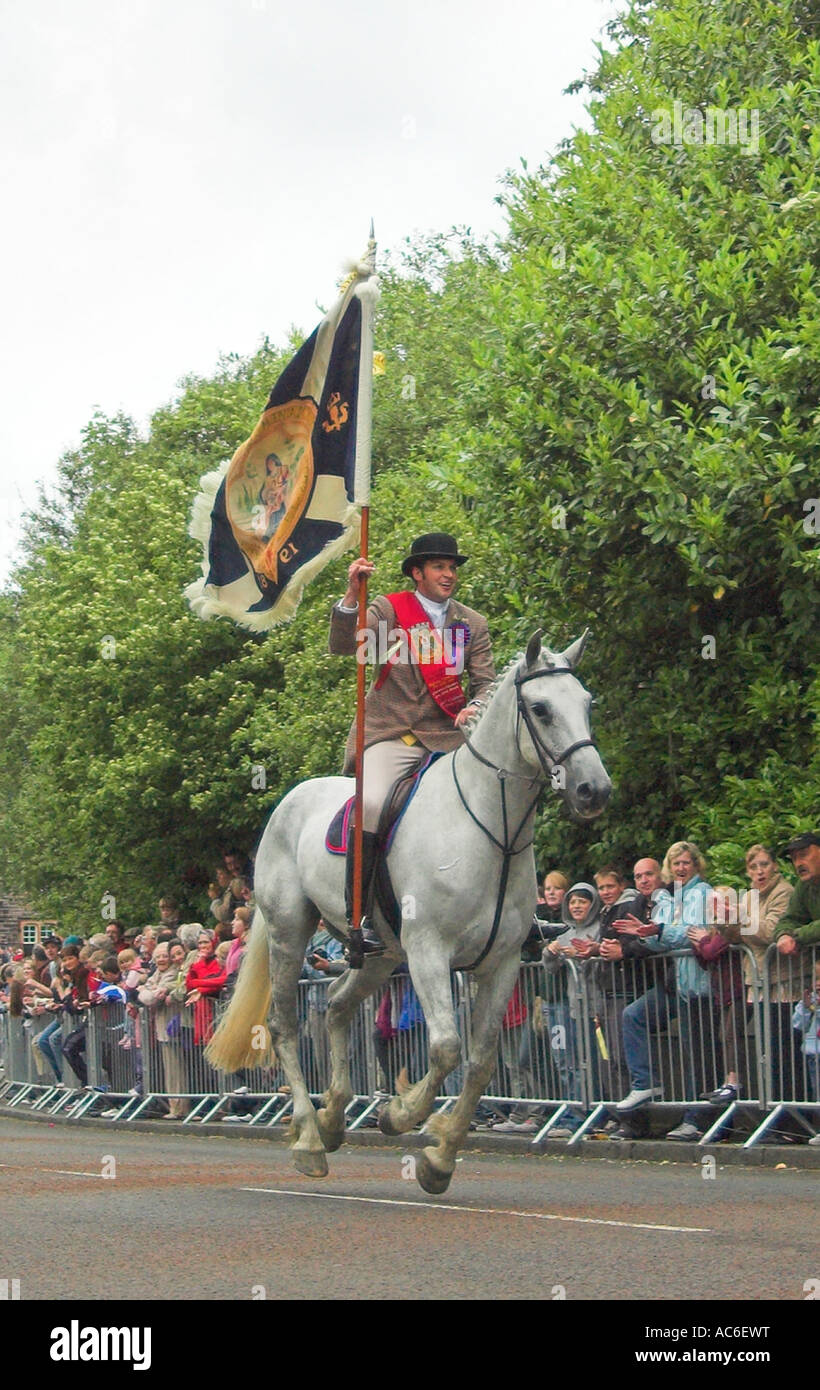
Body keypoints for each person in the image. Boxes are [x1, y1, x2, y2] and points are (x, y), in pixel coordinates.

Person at [329, 532, 496, 951]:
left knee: (504, 794)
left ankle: (521, 913)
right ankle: (358, 917)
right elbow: (345, 646)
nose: (449, 574)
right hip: (394, 734)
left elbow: (486, 684)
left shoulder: (471, 623)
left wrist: (474, 707)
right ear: (418, 573)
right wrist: (353, 595)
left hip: (448, 737)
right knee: (370, 802)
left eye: (452, 567)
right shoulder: (388, 609)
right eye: (440, 567)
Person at [615, 840, 714, 1141]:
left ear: (696, 864)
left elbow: (695, 935)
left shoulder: (704, 893)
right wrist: (645, 936)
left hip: (700, 984)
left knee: (696, 1054)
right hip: (677, 984)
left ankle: (697, 1119)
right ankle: (645, 1084)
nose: (681, 868)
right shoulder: (669, 898)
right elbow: (662, 938)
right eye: (676, 864)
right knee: (633, 1016)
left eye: (686, 862)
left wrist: (659, 932)